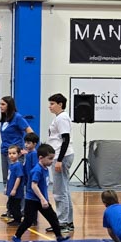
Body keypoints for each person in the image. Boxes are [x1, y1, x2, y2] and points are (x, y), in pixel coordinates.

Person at [14, 144, 69, 242]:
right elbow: (33, 186)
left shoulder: (45, 168)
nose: (52, 161)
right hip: (32, 200)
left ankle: (59, 236)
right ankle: (17, 236)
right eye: (50, 159)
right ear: (40, 158)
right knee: (28, 221)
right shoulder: (37, 170)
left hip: (41, 199)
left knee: (52, 217)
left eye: (53, 158)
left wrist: (44, 198)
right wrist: (42, 199)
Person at [46, 93, 75, 233]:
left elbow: (66, 139)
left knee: (59, 191)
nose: (50, 106)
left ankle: (62, 222)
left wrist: (59, 160)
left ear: (60, 104)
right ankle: (68, 221)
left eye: (52, 104)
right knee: (64, 189)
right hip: (60, 156)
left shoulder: (62, 118)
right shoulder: (59, 118)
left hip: (61, 156)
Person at [0, 96, 33, 185]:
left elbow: (30, 132)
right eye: (0, 104)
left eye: (3, 104)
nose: (0, 106)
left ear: (9, 105)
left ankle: (17, 194)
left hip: (15, 152)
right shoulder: (4, 118)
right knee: (6, 179)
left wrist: (27, 148)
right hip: (5, 151)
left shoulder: (17, 117)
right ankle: (8, 192)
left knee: (15, 178)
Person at [4, 144, 25, 224]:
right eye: (9, 153)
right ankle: (15, 219)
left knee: (15, 205)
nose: (11, 155)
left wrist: (14, 189)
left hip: (16, 191)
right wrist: (6, 187)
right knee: (11, 205)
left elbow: (18, 177)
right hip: (10, 188)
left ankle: (18, 220)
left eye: (13, 153)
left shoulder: (18, 165)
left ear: (19, 154)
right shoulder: (11, 165)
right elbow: (9, 177)